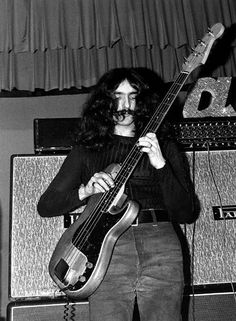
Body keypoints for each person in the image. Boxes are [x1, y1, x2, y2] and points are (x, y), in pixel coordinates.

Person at [37, 67, 195, 321]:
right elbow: (46, 206)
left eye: (133, 96)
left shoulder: (163, 146)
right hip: (105, 250)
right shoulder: (88, 149)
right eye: (118, 96)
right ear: (105, 101)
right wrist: (85, 190)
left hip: (161, 245)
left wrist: (161, 164)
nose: (126, 104)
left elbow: (186, 213)